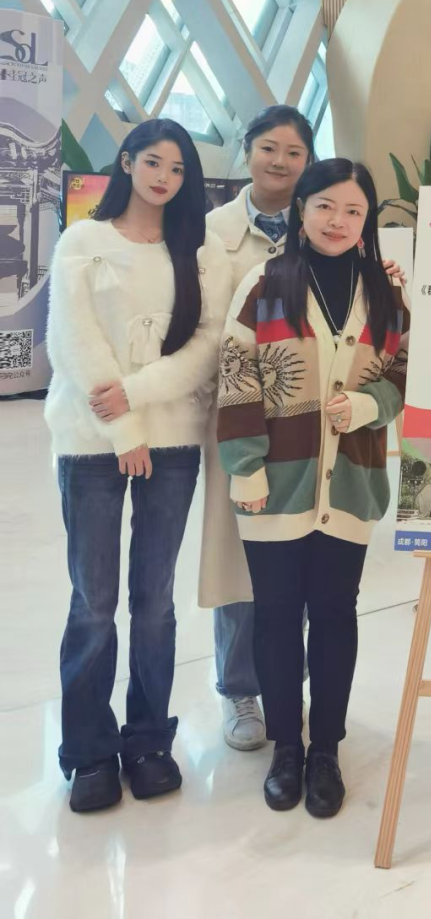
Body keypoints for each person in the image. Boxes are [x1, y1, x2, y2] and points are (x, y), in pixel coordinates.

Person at [45, 120, 230, 813]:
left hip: (174, 437)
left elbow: (208, 344)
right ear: (127, 162)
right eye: (154, 162)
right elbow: (74, 341)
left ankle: (149, 741)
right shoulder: (83, 241)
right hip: (91, 440)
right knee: (94, 602)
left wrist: (141, 395)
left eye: (178, 169)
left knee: (154, 601)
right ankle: (89, 751)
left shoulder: (200, 249)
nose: (164, 178)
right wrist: (123, 427)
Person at [215, 158, 408, 818]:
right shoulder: (266, 283)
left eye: (354, 210)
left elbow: (406, 371)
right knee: (275, 614)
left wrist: (371, 405)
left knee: (333, 612)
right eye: (325, 205)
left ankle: (324, 747)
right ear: (301, 209)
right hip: (274, 483)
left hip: (351, 480)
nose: (338, 220)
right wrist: (245, 467)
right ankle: (285, 748)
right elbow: (236, 374)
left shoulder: (386, 292)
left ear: (367, 221)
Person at [201, 105, 315, 751]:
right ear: (247, 151)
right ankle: (239, 688)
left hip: (303, 417)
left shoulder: (321, 224)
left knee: (298, 552)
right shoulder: (212, 230)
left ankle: (286, 682)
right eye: (269, 147)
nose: (280, 161)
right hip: (236, 413)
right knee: (238, 554)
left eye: (294, 151)